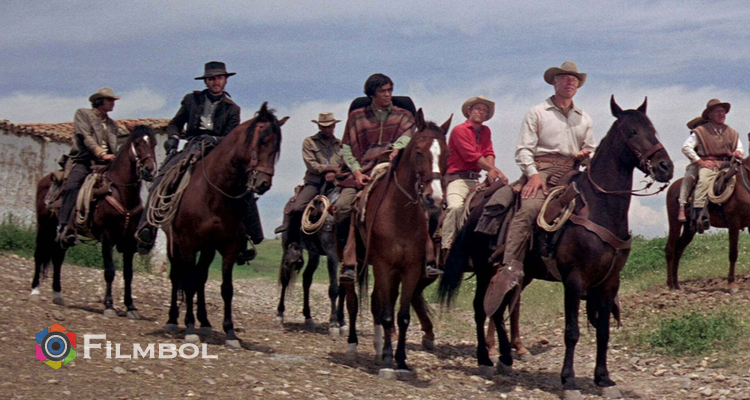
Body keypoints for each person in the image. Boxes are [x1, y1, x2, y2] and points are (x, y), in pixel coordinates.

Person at [134, 62, 259, 262]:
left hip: (219, 151)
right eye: (212, 78)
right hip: (192, 146)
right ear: (206, 81)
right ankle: (146, 229)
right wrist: (173, 137)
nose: (216, 82)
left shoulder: (232, 109)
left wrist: (215, 139)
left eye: (219, 78)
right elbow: (175, 124)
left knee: (244, 183)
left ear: (225, 80)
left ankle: (248, 236)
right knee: (163, 176)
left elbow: (231, 136)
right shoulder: (191, 100)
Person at [337, 73, 435, 282]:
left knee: (430, 205)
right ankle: (348, 259)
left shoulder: (404, 115)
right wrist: (356, 172)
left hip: (395, 171)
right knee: (343, 207)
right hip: (363, 171)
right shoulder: (357, 117)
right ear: (372, 94)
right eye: (383, 91)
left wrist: (397, 148)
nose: (388, 94)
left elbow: (408, 136)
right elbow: (347, 148)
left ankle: (427, 257)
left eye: (390, 90)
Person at [500, 61, 595, 272]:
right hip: (543, 170)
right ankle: (509, 268)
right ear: (554, 82)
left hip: (573, 171)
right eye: (565, 78)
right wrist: (532, 175)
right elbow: (523, 150)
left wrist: (585, 156)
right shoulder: (537, 112)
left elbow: (591, 149)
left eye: (574, 79)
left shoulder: (584, 118)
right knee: (529, 209)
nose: (570, 82)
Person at [57, 87, 125, 247]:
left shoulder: (112, 125)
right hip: (86, 161)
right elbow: (85, 136)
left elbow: (117, 142)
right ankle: (64, 226)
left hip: (107, 164)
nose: (113, 103)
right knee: (72, 186)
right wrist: (101, 153)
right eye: (110, 100)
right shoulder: (83, 114)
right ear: (99, 101)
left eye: (113, 100)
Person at [441, 96, 508, 252]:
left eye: (484, 110)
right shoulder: (459, 130)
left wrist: (491, 171)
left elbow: (488, 152)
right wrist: (493, 170)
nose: (481, 112)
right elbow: (470, 155)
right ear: (469, 111)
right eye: (478, 108)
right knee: (456, 207)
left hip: (475, 179)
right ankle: (447, 247)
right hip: (457, 179)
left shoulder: (486, 131)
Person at [277, 112, 345, 248]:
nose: (327, 129)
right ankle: (293, 243)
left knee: (348, 205)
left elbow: (345, 163)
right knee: (297, 208)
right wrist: (329, 170)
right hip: (315, 182)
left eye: (329, 126)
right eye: (324, 127)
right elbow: (311, 164)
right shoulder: (309, 142)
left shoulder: (341, 144)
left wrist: (335, 173)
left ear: (334, 126)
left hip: (337, 182)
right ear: (319, 127)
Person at [678, 99, 743, 223]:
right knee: (702, 180)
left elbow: (739, 147)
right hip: (710, 165)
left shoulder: (732, 132)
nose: (721, 114)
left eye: (723, 111)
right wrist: (700, 162)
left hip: (728, 164)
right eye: (718, 111)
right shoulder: (700, 132)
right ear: (710, 115)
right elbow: (686, 147)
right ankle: (698, 212)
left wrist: (738, 152)